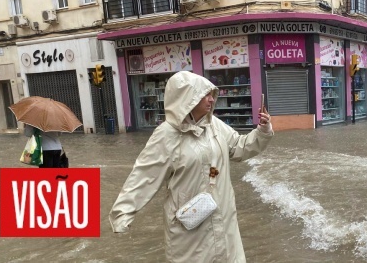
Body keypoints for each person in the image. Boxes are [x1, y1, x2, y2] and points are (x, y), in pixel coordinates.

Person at [109, 71, 274, 263]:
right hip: (190, 229)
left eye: (212, 94)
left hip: (224, 219)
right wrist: (123, 213)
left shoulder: (215, 126)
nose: (212, 99)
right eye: (206, 95)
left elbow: (239, 147)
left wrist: (262, 131)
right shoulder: (166, 135)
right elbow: (144, 175)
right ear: (187, 98)